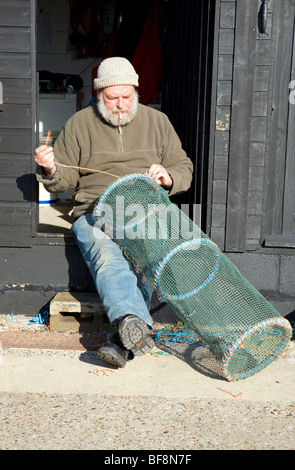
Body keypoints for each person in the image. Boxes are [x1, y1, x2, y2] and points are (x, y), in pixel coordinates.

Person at [35, 57, 193, 368]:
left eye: (126, 96)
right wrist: (51, 169)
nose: (120, 104)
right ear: (98, 94)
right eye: (112, 97)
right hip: (95, 210)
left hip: (145, 209)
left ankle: (123, 336)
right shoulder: (79, 123)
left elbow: (183, 167)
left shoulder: (157, 122)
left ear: (136, 91)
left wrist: (168, 177)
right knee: (109, 258)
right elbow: (64, 181)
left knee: (149, 260)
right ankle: (129, 325)